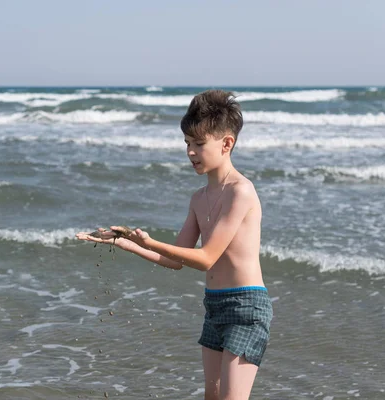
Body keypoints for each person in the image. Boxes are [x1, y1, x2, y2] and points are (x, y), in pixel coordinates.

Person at [76, 89, 273, 400]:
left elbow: (206, 258)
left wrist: (150, 240)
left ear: (226, 144)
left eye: (198, 144)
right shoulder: (198, 198)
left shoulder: (241, 192)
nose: (190, 152)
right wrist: (126, 242)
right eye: (187, 144)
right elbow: (175, 259)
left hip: (246, 307)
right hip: (214, 305)